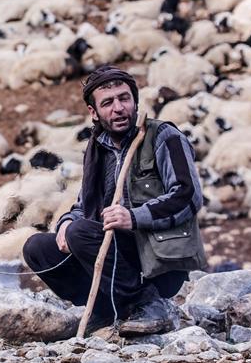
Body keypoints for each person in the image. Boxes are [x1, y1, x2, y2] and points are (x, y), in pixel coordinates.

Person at [22, 65, 207, 335]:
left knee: (81, 233)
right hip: (115, 255)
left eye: (124, 98)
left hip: (158, 259)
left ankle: (150, 305)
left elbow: (187, 196)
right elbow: (84, 206)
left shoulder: (163, 137)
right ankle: (107, 310)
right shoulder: (98, 149)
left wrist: (134, 217)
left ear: (135, 101)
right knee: (38, 247)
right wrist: (65, 222)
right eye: (107, 103)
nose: (118, 108)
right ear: (93, 112)